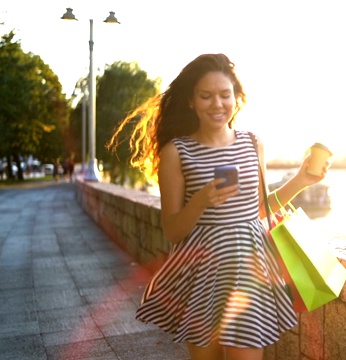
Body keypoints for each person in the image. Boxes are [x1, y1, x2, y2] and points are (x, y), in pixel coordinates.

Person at [108, 53, 329, 360]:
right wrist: (201, 201)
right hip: (202, 277)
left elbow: (259, 211)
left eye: (225, 95)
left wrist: (301, 181)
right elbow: (172, 231)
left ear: (237, 99)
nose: (217, 104)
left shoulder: (253, 143)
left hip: (250, 274)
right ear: (191, 101)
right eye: (206, 96)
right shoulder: (176, 152)